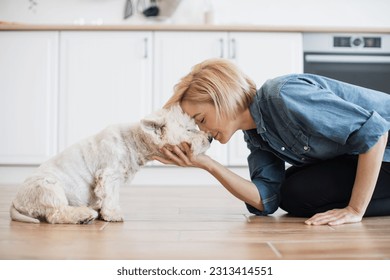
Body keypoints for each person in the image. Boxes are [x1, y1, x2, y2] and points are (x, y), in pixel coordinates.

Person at [154, 58, 390, 226]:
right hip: (359, 155)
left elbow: (375, 132)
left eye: (202, 119)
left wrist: (354, 210)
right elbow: (266, 199)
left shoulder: (283, 95)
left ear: (222, 98)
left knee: (301, 190)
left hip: (383, 149)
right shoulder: (256, 134)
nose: (203, 130)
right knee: (292, 194)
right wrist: (205, 163)